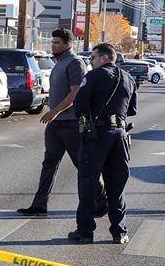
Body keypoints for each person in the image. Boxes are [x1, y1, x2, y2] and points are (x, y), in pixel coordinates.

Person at [18, 28, 108, 217]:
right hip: (56, 125)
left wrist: (54, 112)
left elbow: (76, 93)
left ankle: (102, 201)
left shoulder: (74, 63)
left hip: (71, 124)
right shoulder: (59, 62)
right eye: (52, 42)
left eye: (57, 43)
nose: (53, 45)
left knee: (83, 165)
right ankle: (39, 205)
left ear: (67, 45)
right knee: (49, 163)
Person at [68, 43, 137, 244]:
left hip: (97, 135)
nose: (91, 61)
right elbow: (132, 109)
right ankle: (120, 232)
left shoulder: (93, 77)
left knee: (88, 183)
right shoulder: (128, 78)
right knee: (117, 185)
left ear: (104, 58)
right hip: (120, 135)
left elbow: (79, 105)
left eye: (93, 58)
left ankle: (85, 232)